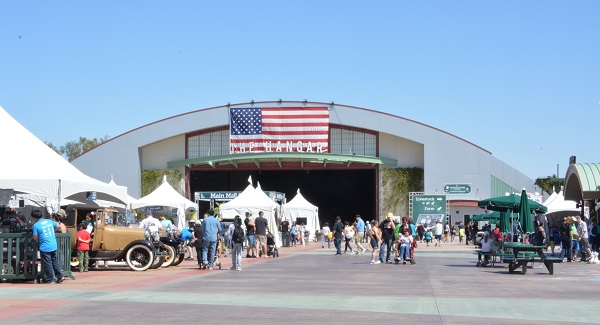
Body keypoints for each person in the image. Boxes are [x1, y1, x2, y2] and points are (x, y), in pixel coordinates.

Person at [31, 209, 65, 284]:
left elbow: (35, 237)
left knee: (47, 262)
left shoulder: (36, 225)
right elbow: (58, 225)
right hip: (53, 244)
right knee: (54, 261)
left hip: (45, 246)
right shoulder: (49, 221)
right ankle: (60, 275)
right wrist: (53, 231)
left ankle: (50, 279)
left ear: (34, 218)